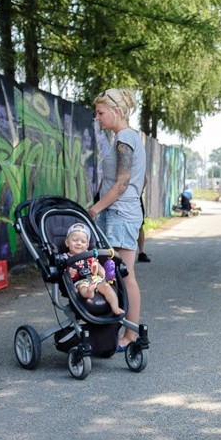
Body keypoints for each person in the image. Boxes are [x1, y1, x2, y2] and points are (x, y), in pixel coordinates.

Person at [88, 88, 145, 351]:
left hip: (119, 214)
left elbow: (122, 183)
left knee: (125, 275)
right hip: (124, 211)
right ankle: (116, 329)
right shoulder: (129, 138)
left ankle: (130, 335)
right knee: (115, 274)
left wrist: (96, 208)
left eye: (100, 113)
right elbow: (139, 180)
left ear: (117, 112)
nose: (97, 118)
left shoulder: (124, 138)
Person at [63, 223, 124, 316]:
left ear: (87, 245)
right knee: (82, 288)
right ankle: (89, 293)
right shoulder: (65, 257)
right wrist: (68, 271)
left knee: (107, 287)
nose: (79, 243)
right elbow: (63, 269)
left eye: (83, 241)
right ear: (67, 242)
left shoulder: (90, 255)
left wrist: (105, 276)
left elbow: (98, 267)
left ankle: (115, 307)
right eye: (75, 240)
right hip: (80, 281)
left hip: (93, 278)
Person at [137, 174, 151, 263]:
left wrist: (137, 193)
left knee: (140, 226)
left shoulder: (137, 163)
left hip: (135, 199)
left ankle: (141, 252)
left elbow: (145, 179)